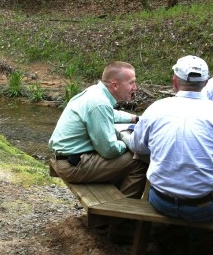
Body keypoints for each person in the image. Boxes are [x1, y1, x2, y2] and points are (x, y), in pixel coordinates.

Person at [130, 55, 213, 222]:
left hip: (161, 201)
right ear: (206, 83)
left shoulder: (156, 109)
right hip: (207, 208)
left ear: (175, 81)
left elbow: (137, 147)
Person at [48, 61, 146, 198]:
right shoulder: (99, 103)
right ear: (115, 85)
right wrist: (129, 143)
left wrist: (135, 119)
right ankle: (122, 216)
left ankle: (113, 209)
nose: (135, 88)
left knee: (124, 160)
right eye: (131, 83)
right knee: (138, 161)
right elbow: (109, 150)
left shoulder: (95, 92)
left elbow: (111, 114)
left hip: (68, 158)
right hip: (72, 166)